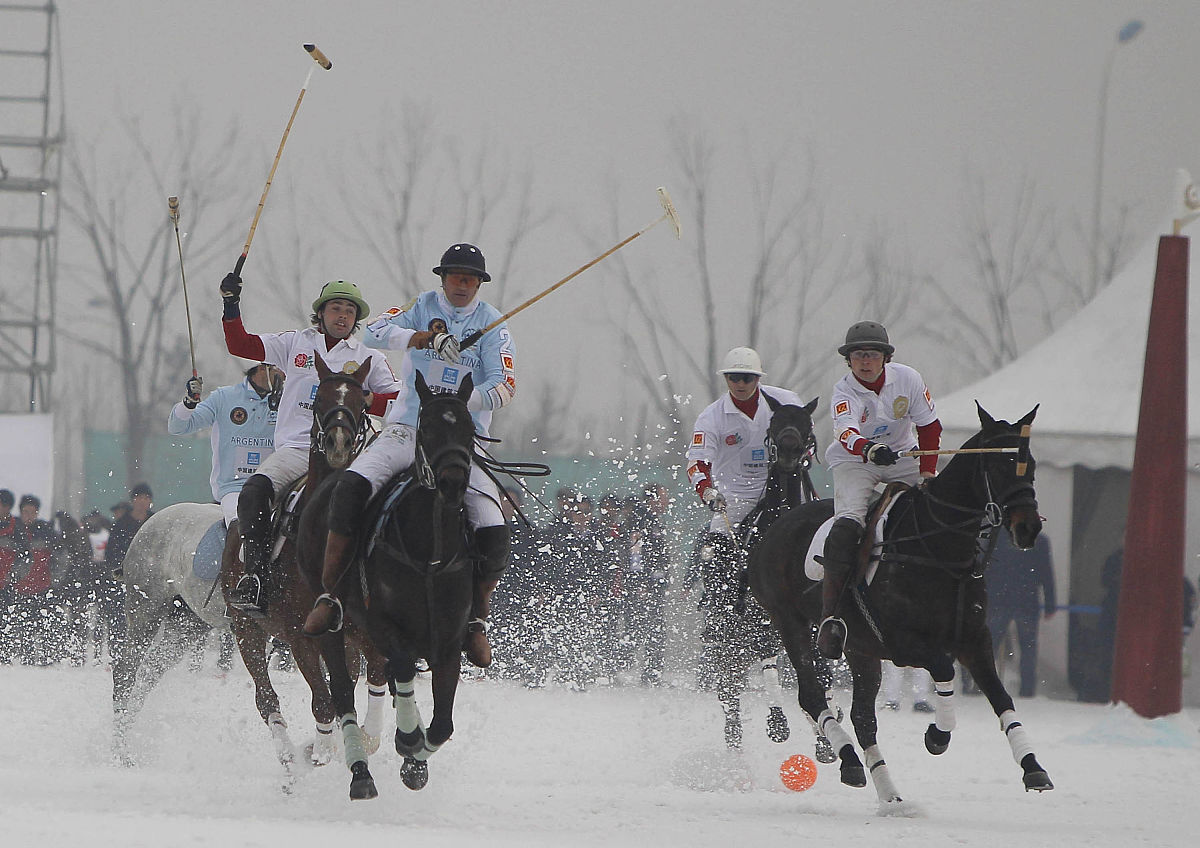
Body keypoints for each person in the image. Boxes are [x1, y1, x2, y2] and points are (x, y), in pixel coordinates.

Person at [302, 244, 517, 671]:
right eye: (454, 276)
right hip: (406, 430)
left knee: (492, 522)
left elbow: (505, 386)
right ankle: (331, 594)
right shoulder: (421, 306)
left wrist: (459, 403)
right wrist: (423, 338)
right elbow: (375, 332)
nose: (461, 285)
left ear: (478, 283)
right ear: (443, 279)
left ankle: (476, 620)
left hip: (459, 440)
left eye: (469, 279)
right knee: (348, 487)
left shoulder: (493, 325)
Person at [220, 272, 403, 614]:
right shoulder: (295, 343)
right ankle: (257, 577)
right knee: (253, 491)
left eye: (350, 310)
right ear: (320, 314)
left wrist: (367, 398)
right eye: (335, 308)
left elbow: (398, 403)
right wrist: (231, 305)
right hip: (297, 451)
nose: (342, 315)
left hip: (353, 456)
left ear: (356, 319)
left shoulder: (370, 358)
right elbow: (240, 345)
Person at [816, 321, 941, 659]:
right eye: (858, 355)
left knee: (938, 508)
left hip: (902, 456)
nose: (865, 361)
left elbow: (930, 426)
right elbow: (846, 433)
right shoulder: (844, 391)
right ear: (849, 360)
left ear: (885, 357)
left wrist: (928, 472)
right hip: (854, 462)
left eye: (871, 354)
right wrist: (869, 449)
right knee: (847, 525)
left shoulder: (909, 379)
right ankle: (833, 616)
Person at [685, 346, 808, 537]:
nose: (740, 384)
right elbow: (697, 464)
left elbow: (806, 433)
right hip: (738, 496)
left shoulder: (786, 401)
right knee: (716, 544)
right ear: (726, 378)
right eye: (733, 377)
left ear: (758, 379)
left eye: (747, 378)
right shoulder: (710, 417)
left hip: (787, 486)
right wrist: (708, 492)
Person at [167, 362, 282, 527]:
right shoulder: (224, 397)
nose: (284, 375)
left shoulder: (286, 400)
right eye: (278, 368)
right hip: (234, 488)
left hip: (274, 488)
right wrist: (189, 402)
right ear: (261, 368)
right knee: (246, 527)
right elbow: (178, 427)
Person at [985, 531, 1056, 697]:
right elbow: (1046, 573)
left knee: (990, 644)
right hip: (1026, 599)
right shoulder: (1039, 540)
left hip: (999, 599)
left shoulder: (997, 538)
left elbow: (988, 569)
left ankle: (982, 684)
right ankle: (1027, 688)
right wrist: (1050, 603)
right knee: (1028, 647)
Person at [102, 483, 154, 662]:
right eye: (139, 498)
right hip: (124, 579)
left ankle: (143, 654)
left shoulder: (155, 523)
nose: (142, 502)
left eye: (146, 498)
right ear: (133, 500)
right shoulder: (121, 524)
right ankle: (117, 654)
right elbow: (111, 553)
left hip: (151, 579)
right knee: (119, 617)